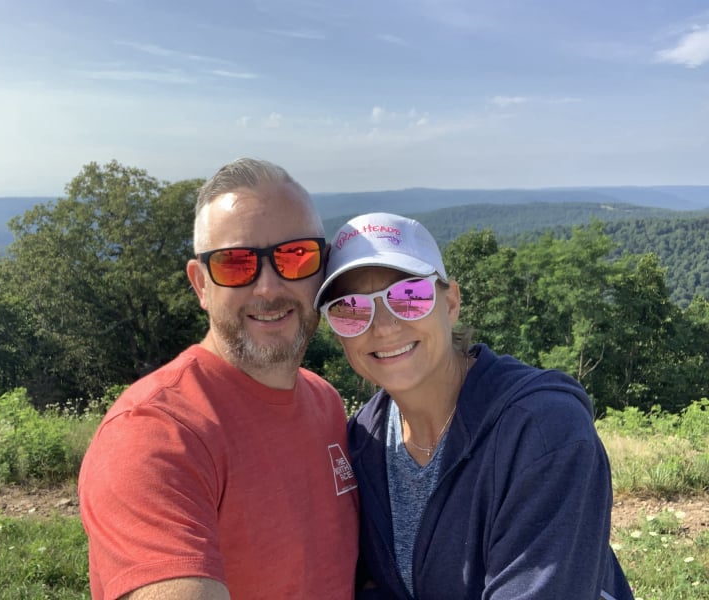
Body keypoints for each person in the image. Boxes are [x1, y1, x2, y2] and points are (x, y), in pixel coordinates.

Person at [314, 212, 634, 599]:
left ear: (451, 303)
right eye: (350, 309)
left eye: (409, 297)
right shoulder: (362, 444)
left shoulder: (543, 431)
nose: (383, 326)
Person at [78, 158, 359, 600]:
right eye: (235, 264)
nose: (268, 288)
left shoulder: (325, 403)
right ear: (201, 285)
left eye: (295, 256)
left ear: (322, 271)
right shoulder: (155, 432)